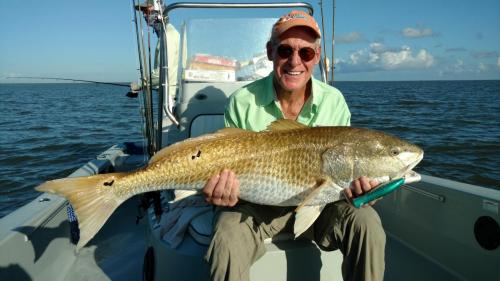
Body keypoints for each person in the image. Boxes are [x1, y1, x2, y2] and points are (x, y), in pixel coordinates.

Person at [202, 10, 385, 281]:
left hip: (323, 205)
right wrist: (221, 193)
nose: (294, 61)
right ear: (270, 51)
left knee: (367, 222)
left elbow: (346, 177)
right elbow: (228, 168)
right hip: (257, 205)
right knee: (226, 232)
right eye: (285, 50)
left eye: (306, 53)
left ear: (317, 56)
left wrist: (367, 191)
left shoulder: (334, 101)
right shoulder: (242, 101)